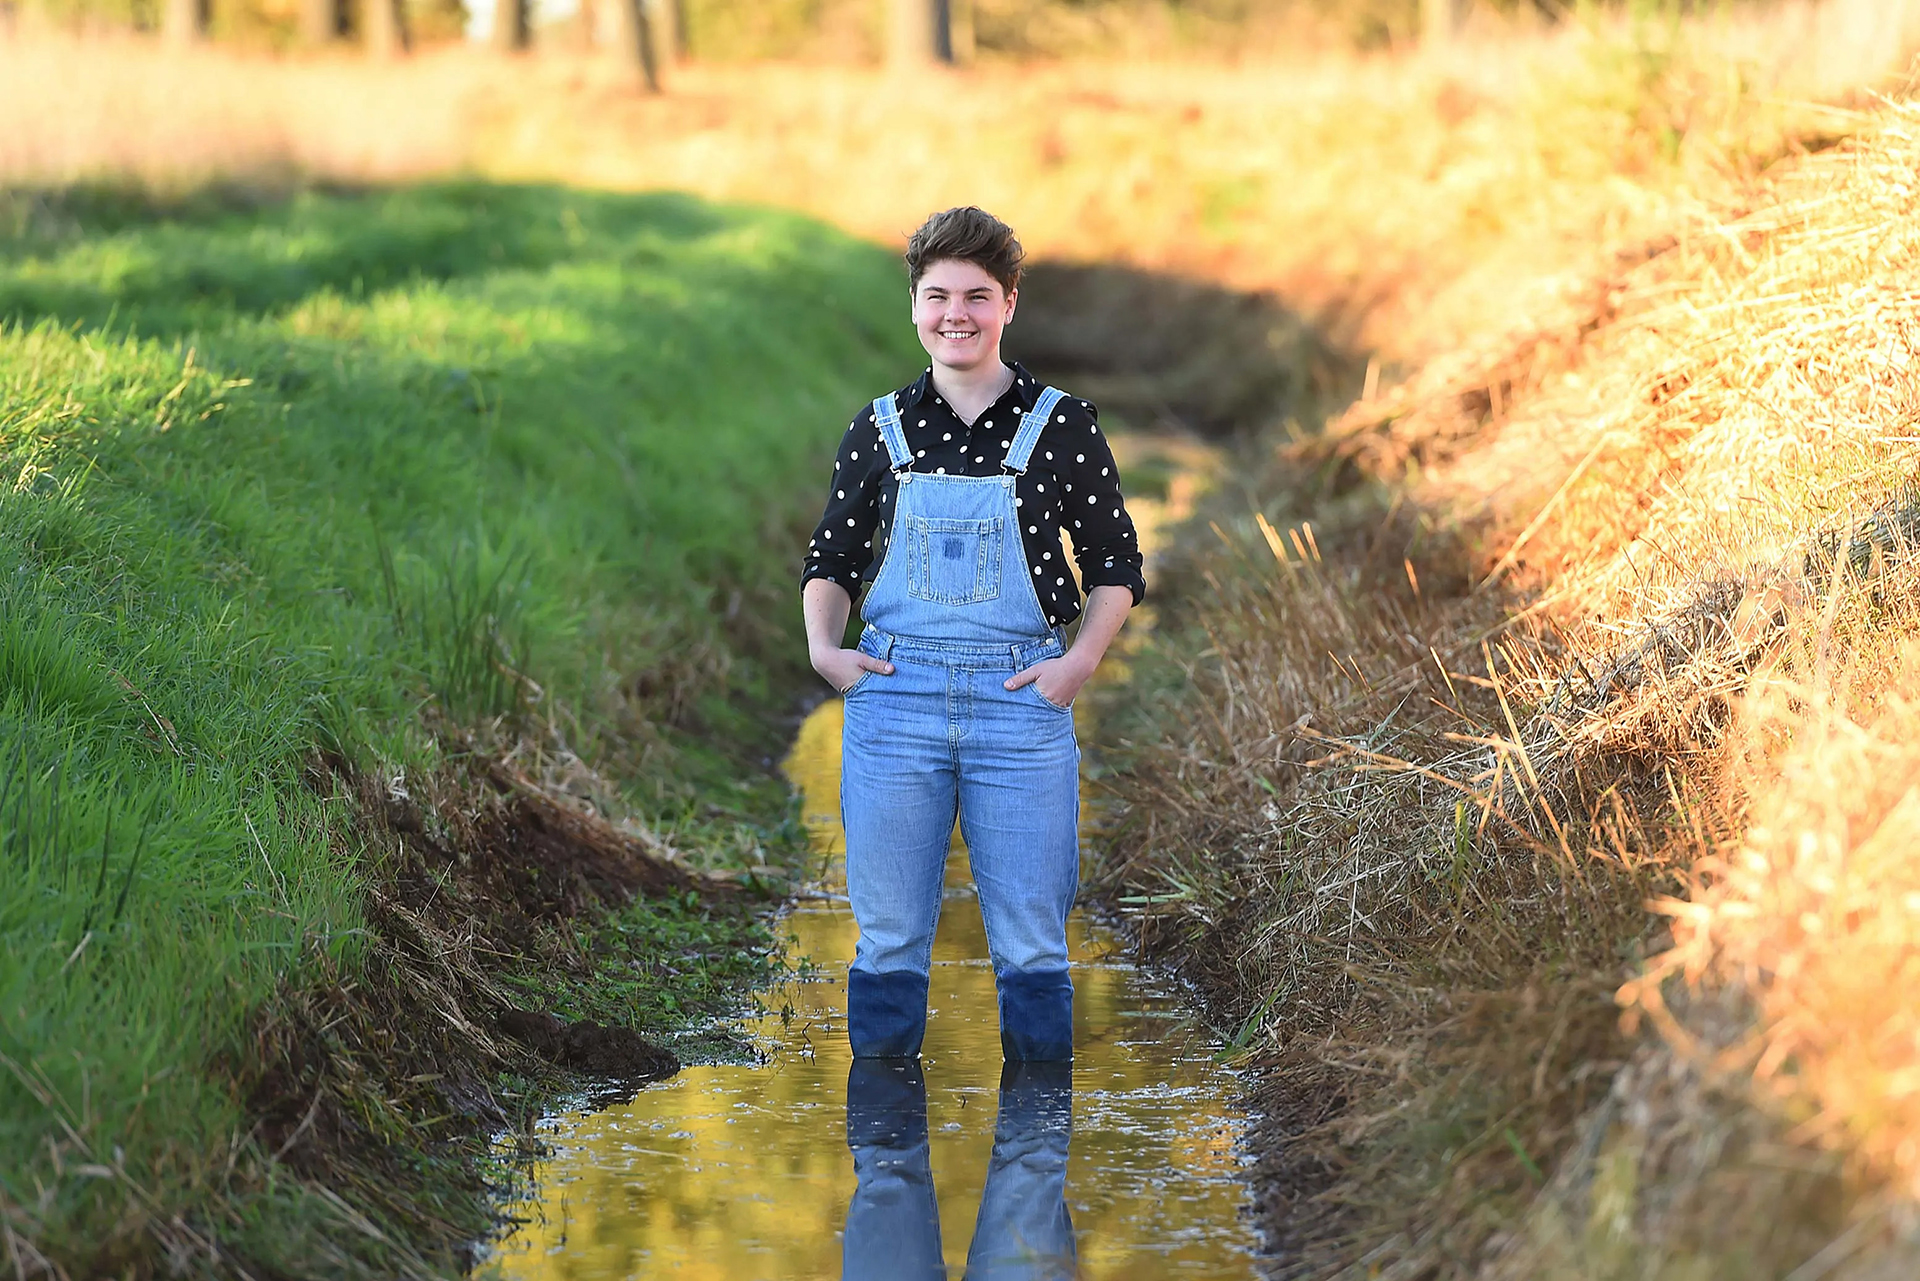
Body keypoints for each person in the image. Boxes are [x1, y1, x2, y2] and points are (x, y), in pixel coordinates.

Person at [800, 206, 1145, 1061]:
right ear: (914, 304)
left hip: (1020, 705)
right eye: (938, 295)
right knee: (886, 943)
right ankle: (884, 1153)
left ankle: (1036, 1148)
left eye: (977, 296)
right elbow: (832, 558)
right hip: (895, 701)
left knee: (1032, 947)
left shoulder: (1063, 424)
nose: (957, 313)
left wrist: (1080, 663)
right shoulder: (877, 427)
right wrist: (824, 651)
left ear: (1009, 304)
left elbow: (1117, 564)